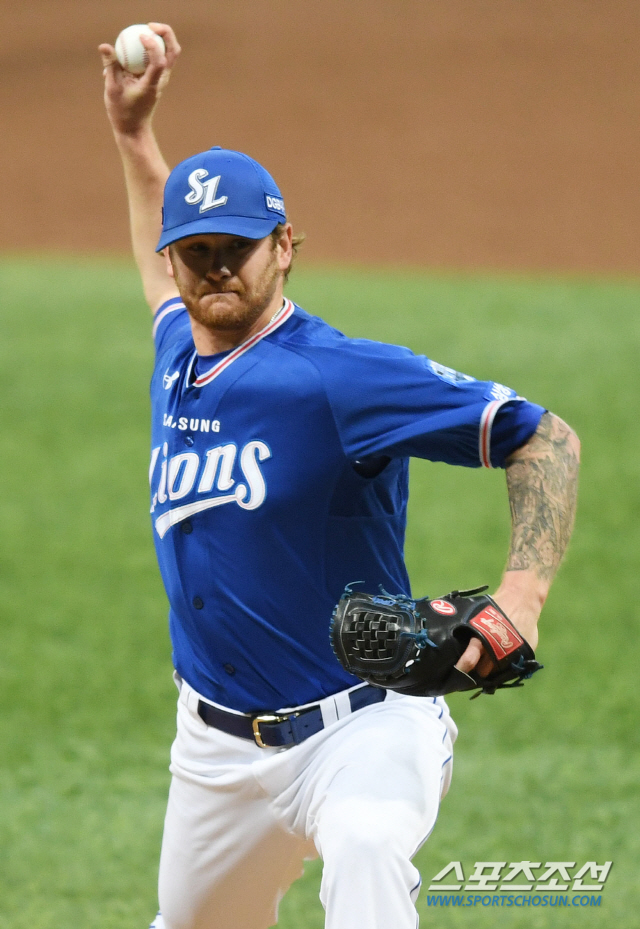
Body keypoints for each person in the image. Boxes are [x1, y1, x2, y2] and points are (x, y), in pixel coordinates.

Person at [99, 24, 580, 929]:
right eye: (196, 251)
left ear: (285, 244)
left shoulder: (337, 376)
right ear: (173, 259)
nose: (216, 268)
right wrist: (133, 135)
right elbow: (159, 254)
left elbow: (545, 438)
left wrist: (523, 594)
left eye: (238, 246)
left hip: (363, 727)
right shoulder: (177, 351)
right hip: (213, 754)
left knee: (364, 846)